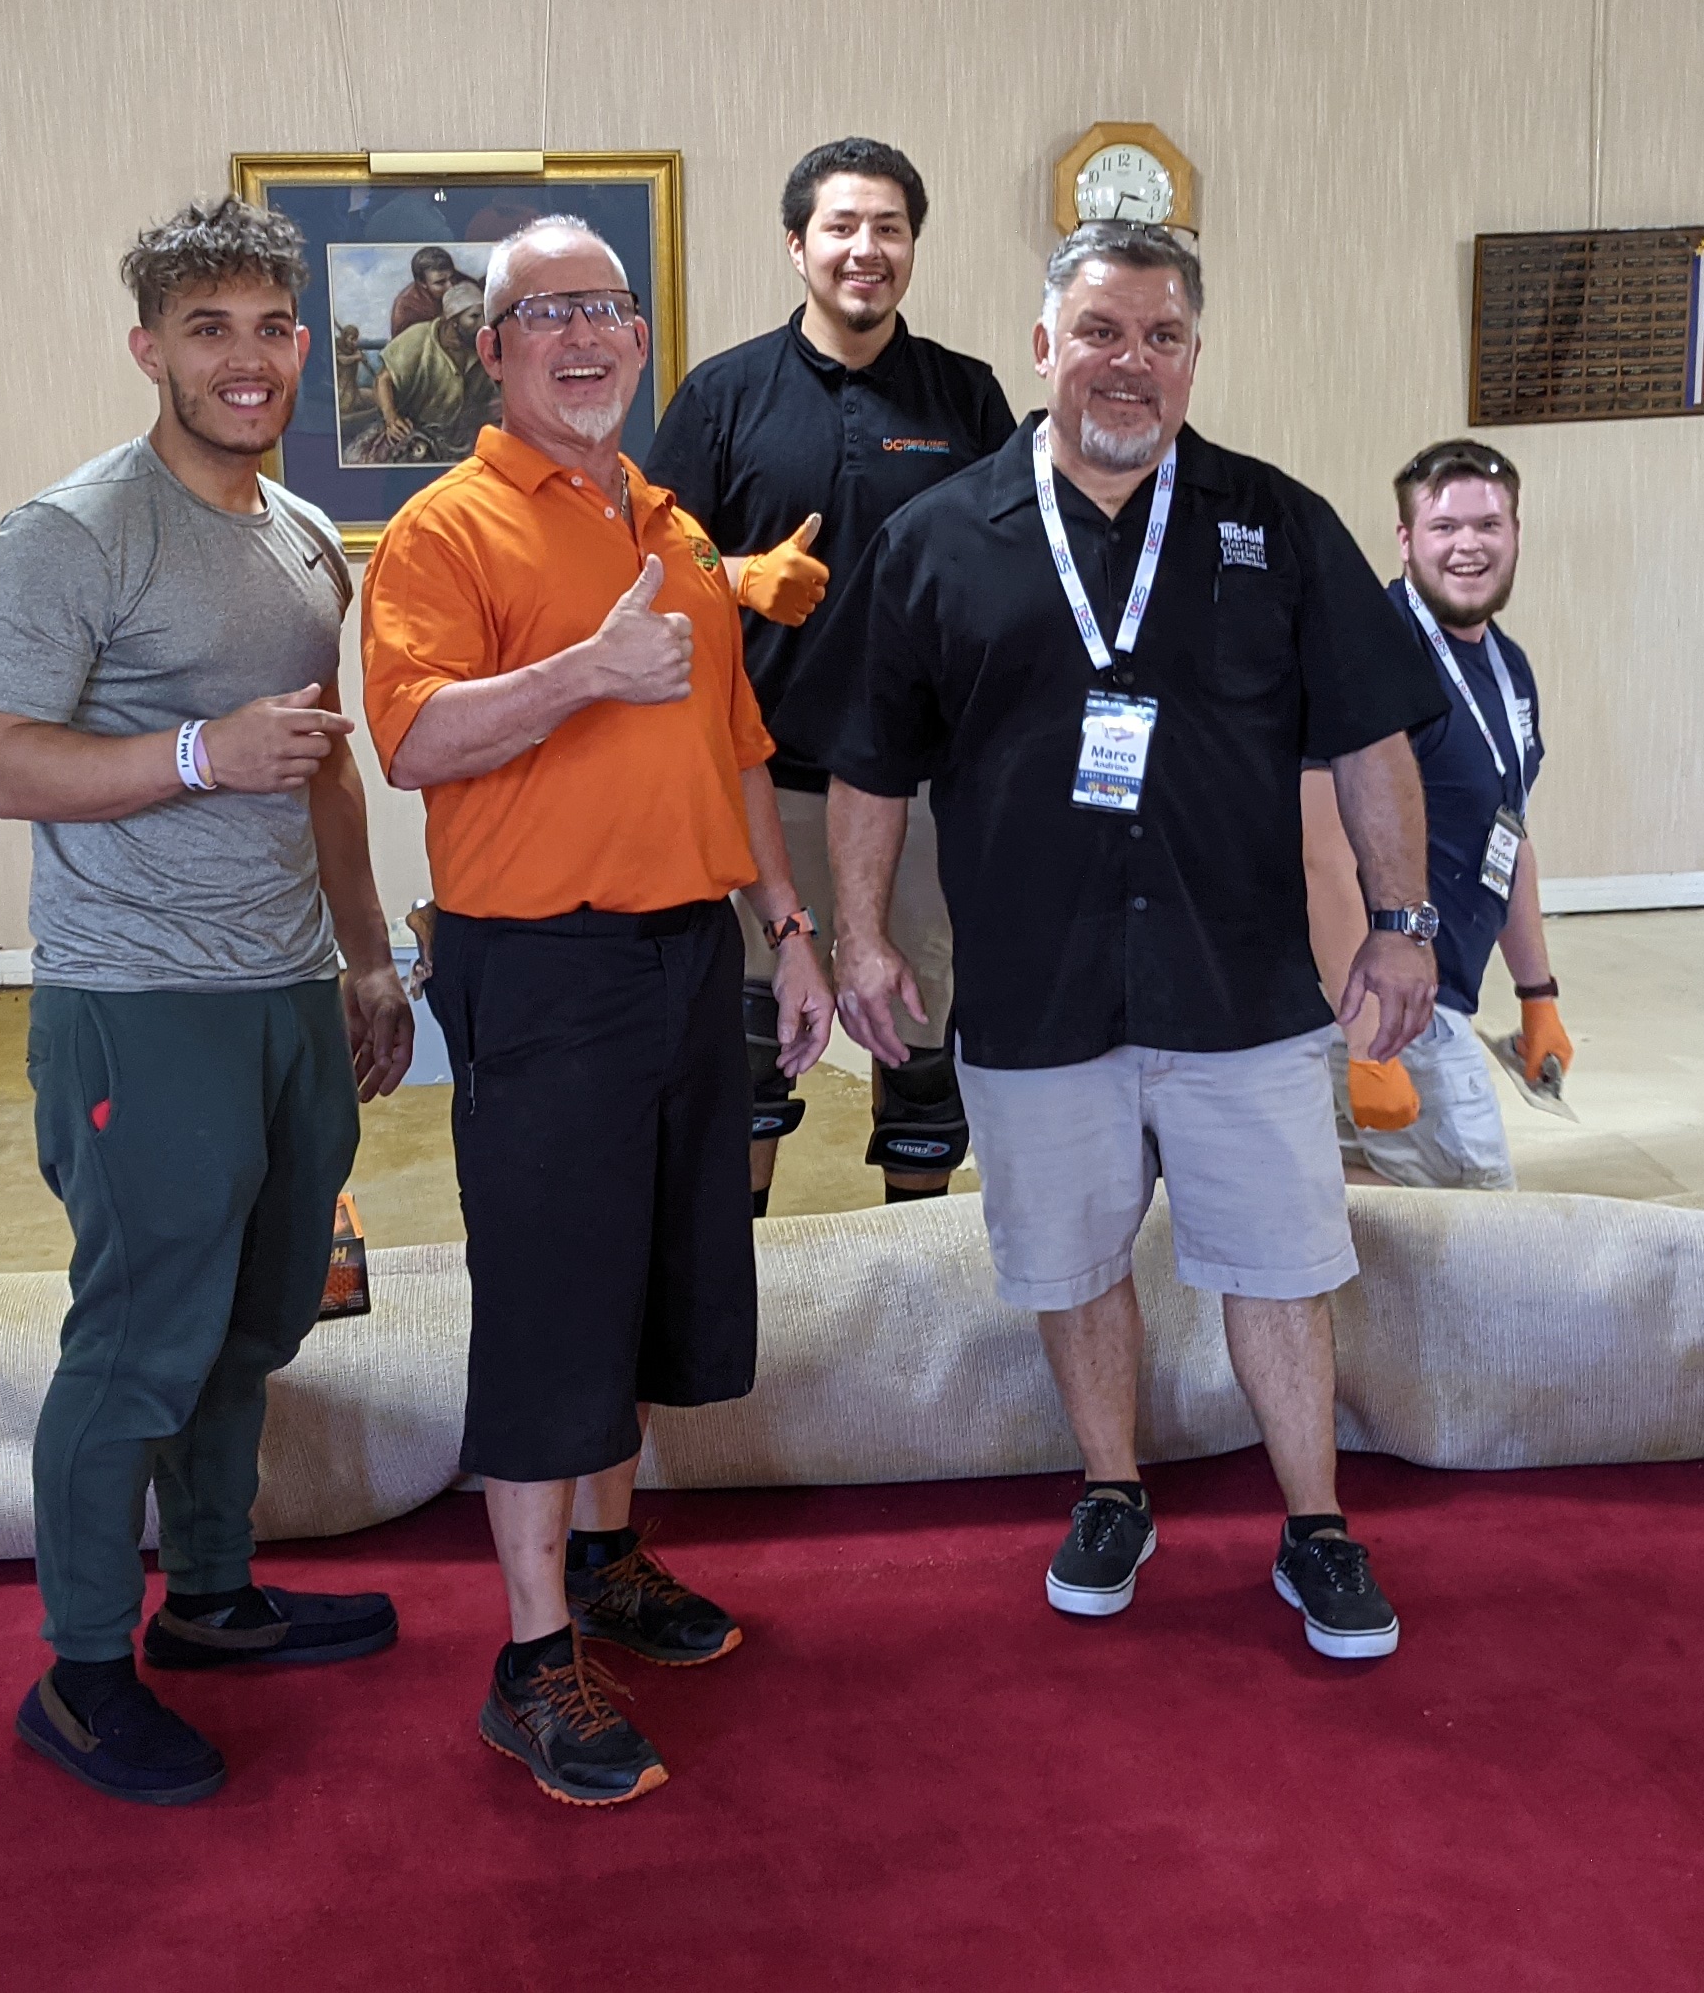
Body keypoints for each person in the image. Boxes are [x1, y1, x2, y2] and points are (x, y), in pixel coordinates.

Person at [793, 219, 1450, 1664]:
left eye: (1161, 337)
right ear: (1044, 348)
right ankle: (1111, 1490)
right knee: (1072, 1260)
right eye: (1100, 331)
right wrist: (862, 936)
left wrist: (1404, 924)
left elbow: (1371, 739)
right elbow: (868, 763)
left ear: (1195, 358)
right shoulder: (938, 539)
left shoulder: (1279, 525)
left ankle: (1316, 1522)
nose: (1129, 363)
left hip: (1241, 986)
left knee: (1279, 1264)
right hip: (1035, 988)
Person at [360, 216, 836, 1806]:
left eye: (607, 309)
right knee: (550, 1298)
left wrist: (790, 928)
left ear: (640, 338)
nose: (583, 336)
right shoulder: (442, 530)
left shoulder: (670, 525)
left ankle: (608, 1559)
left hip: (688, 953)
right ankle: (529, 1656)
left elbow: (738, 748)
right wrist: (582, 669)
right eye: (545, 313)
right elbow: (412, 743)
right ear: (491, 351)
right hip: (542, 968)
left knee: (649, 1280)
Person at [0, 197, 423, 1807]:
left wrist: (367, 957)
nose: (246, 359)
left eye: (270, 328)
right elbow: (3, 762)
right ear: (147, 348)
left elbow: (326, 769)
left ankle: (213, 1597)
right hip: (137, 999)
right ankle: (86, 1676)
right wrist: (193, 754)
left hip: (284, 991)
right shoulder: (72, 534)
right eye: (207, 329)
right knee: (139, 1342)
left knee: (257, 1316)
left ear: (305, 345)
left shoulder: (302, 539)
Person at [650, 138, 1017, 1213]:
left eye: (889, 229)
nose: (867, 249)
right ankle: (740, 1274)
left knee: (923, 1049)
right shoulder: (722, 397)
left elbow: (1018, 570)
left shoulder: (966, 397)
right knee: (750, 1055)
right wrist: (740, 578)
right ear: (796, 244)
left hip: (923, 794)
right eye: (842, 226)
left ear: (913, 246)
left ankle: (918, 1268)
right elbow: (647, 575)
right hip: (768, 782)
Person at [1302, 438, 1574, 1188]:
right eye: (1445, 526)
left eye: (1488, 525)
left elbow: (1508, 834)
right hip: (1390, 1001)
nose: (1468, 546)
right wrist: (1368, 1041)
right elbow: (1321, 853)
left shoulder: (1508, 667)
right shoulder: (1367, 653)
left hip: (1440, 996)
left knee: (1365, 1213)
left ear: (1516, 533)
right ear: (1405, 539)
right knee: (1476, 1226)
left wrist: (1537, 996)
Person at [365, 287, 492, 462]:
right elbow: (383, 379)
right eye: (475, 316)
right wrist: (391, 418)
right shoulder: (418, 337)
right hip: (411, 430)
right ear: (453, 320)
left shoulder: (481, 346)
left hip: (458, 437)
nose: (483, 322)